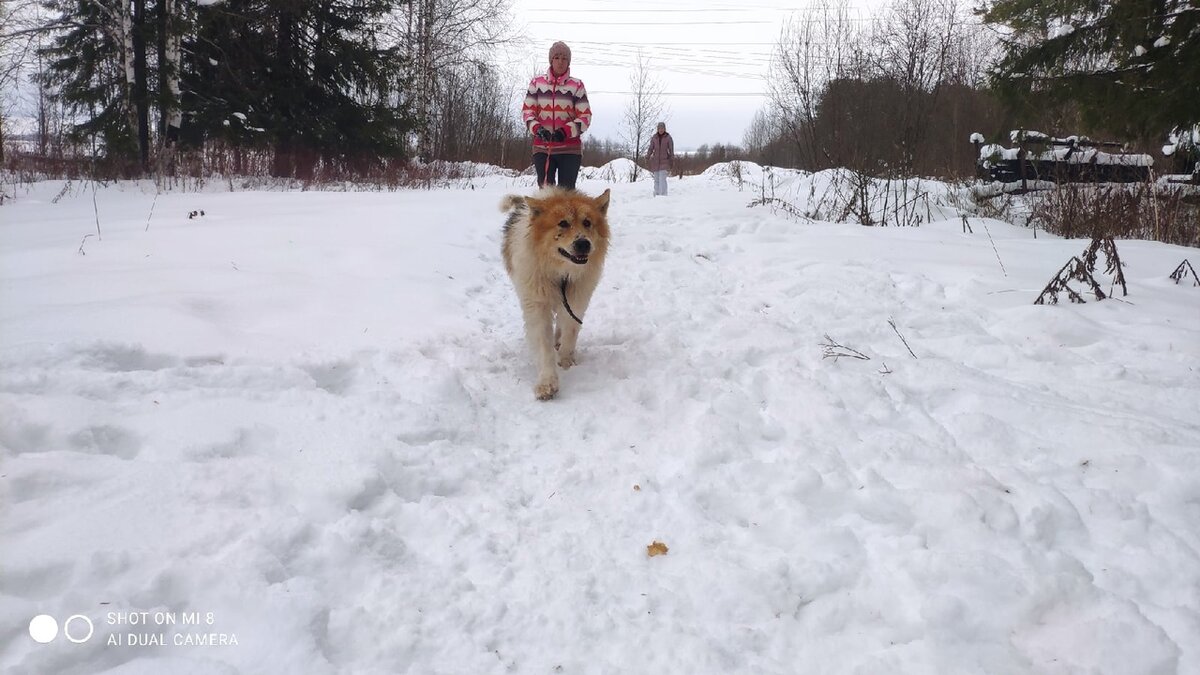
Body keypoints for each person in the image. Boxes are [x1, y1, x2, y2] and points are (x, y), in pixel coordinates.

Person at [523, 41, 591, 190]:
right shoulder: (537, 83)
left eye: (564, 58)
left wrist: (565, 131)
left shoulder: (576, 85)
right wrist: (538, 129)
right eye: (557, 57)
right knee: (547, 196)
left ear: (569, 62)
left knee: (566, 196)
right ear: (551, 60)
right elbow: (528, 112)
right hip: (543, 147)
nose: (560, 62)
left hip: (570, 149)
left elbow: (585, 117)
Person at [647, 121, 674, 196]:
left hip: (664, 161)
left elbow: (671, 149)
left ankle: (663, 195)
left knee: (662, 179)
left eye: (662, 128)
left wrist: (671, 159)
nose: (661, 130)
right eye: (659, 128)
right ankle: (657, 193)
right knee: (656, 179)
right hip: (655, 161)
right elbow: (651, 148)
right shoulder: (654, 138)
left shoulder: (668, 138)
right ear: (657, 129)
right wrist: (648, 155)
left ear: (665, 129)